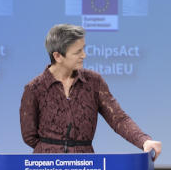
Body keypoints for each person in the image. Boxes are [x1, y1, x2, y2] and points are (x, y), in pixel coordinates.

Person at [20, 24, 162, 158]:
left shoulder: (94, 82)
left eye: (83, 49)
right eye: (77, 52)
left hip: (86, 166)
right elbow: (29, 136)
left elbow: (118, 118)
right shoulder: (34, 89)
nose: (84, 55)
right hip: (45, 168)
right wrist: (53, 149)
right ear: (57, 56)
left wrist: (144, 141)